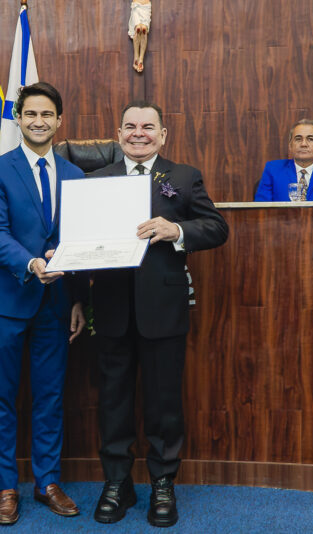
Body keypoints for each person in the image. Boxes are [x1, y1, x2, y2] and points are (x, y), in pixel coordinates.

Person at [89, 100, 228, 528]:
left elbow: (217, 227)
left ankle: (163, 482)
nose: (138, 133)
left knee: (164, 402)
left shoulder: (183, 177)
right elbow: (80, 240)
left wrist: (177, 230)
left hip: (163, 310)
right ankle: (117, 482)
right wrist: (77, 296)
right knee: (113, 401)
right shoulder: (95, 181)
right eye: (130, 126)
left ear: (163, 134)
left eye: (148, 127)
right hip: (110, 308)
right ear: (118, 134)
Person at [0, 82, 86, 526]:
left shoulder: (76, 177)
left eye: (47, 115)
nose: (39, 121)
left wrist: (78, 300)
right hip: (6, 300)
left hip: (57, 304)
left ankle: (46, 482)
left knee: (50, 396)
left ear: (59, 121)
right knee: (1, 397)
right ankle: (6, 487)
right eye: (31, 114)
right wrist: (30, 263)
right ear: (18, 120)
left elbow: (80, 243)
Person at [254, 118, 313, 201]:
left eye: (310, 139)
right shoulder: (272, 170)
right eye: (298, 139)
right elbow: (261, 210)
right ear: (290, 145)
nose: (303, 144)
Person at [128, 0, 151, 73]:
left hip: (146, 7)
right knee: (138, 29)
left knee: (144, 30)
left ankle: (140, 59)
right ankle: (136, 56)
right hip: (136, 7)